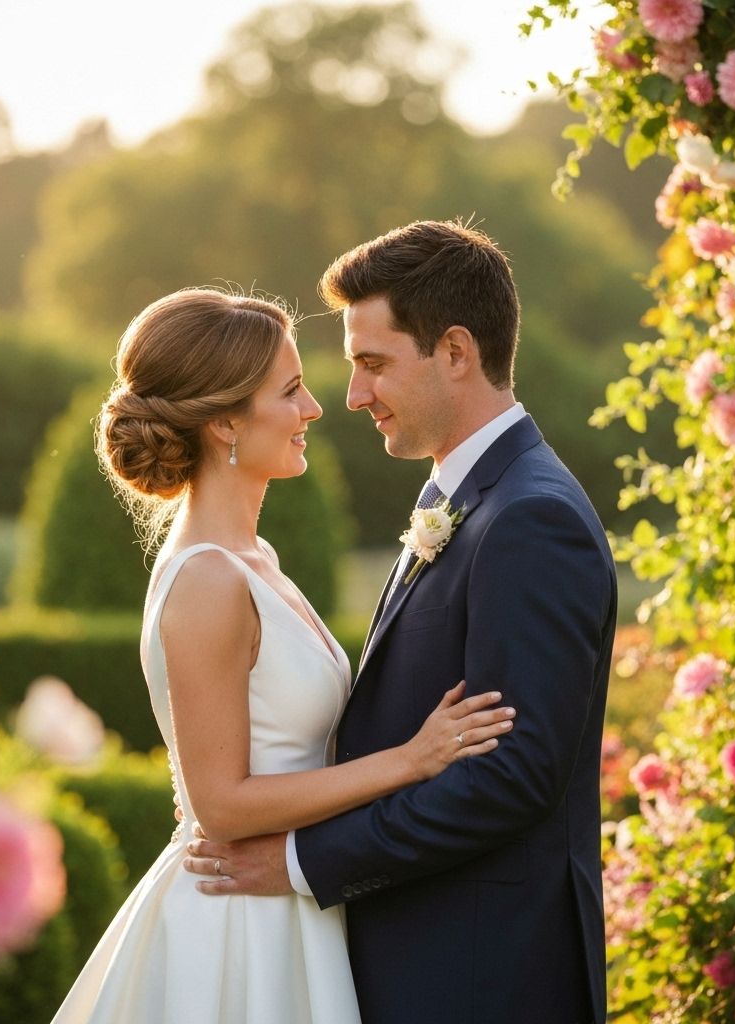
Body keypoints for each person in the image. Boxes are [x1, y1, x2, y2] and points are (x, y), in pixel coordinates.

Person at [184, 221, 618, 1024]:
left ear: (456, 351)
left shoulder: (530, 518)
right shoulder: (456, 499)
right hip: (423, 960)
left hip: (484, 976)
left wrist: (303, 862)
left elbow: (509, 778)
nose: (351, 397)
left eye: (373, 364)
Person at [49, 287, 515, 1024]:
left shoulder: (254, 558)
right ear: (226, 420)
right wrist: (412, 761)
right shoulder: (207, 578)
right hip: (236, 928)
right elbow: (223, 805)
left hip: (289, 900)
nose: (315, 410)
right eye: (291, 391)